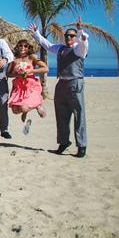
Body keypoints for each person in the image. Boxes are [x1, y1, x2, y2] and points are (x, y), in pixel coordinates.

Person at [30, 19, 89, 158]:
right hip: (61, 83)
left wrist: (79, 30)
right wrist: (36, 33)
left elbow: (84, 43)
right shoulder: (61, 48)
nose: (69, 38)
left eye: (72, 36)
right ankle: (63, 142)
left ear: (76, 37)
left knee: (79, 114)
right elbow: (48, 45)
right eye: (67, 36)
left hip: (75, 83)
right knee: (61, 115)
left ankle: (81, 146)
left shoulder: (79, 49)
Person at [7, 39, 48, 135]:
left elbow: (45, 68)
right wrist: (17, 74)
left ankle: (37, 105)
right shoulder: (14, 59)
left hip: (30, 85)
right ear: (17, 47)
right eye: (20, 45)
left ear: (28, 47)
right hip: (19, 86)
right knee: (14, 110)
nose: (23, 47)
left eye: (25, 46)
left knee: (24, 108)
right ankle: (27, 110)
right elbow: (8, 73)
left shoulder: (32, 57)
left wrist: (30, 71)